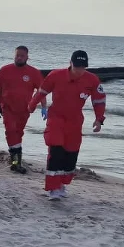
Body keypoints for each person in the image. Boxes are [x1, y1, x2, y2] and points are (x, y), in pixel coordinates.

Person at [28, 50, 106, 200]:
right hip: (56, 118)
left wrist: (99, 119)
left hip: (75, 121)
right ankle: (53, 188)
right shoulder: (56, 75)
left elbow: (99, 100)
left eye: (83, 67)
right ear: (70, 63)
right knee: (56, 150)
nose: (79, 70)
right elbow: (42, 92)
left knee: (71, 154)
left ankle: (61, 183)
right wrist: (32, 105)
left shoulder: (92, 80)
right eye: (77, 67)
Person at [0, 45, 46, 174]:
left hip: (24, 109)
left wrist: (44, 107)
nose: (19, 58)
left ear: (27, 57)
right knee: (11, 131)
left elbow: (42, 91)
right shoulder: (5, 70)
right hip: (8, 107)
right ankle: (16, 163)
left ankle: (16, 161)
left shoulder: (34, 73)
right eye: (17, 55)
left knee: (18, 133)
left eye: (22, 56)